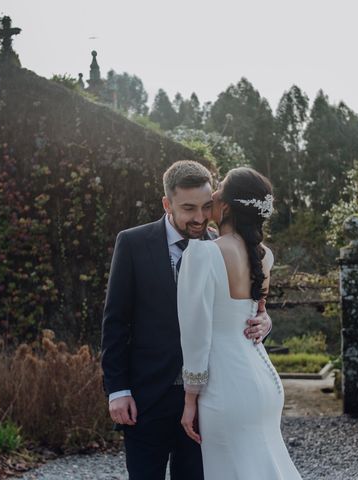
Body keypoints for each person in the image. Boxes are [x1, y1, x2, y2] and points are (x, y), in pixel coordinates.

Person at [101, 160, 273, 480]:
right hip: (146, 397)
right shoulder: (133, 243)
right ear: (167, 204)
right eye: (188, 208)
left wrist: (265, 323)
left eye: (207, 206)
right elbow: (115, 321)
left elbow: (240, 310)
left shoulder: (223, 248)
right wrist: (117, 389)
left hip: (208, 401)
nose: (199, 218)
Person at [178, 167, 303, 479]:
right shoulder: (264, 256)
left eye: (219, 188)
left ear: (227, 207)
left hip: (225, 388)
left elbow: (196, 335)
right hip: (264, 381)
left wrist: (190, 398)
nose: (214, 193)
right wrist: (266, 322)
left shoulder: (203, 254)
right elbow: (256, 315)